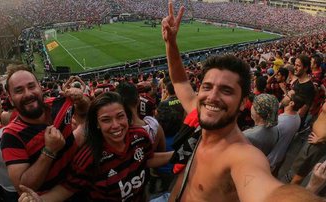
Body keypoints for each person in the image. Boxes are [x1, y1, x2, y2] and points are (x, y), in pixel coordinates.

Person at [161, 2, 323, 201]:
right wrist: (171, 44)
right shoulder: (202, 112)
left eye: (226, 90)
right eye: (207, 86)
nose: (212, 96)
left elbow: (267, 192)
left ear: (242, 103)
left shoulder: (243, 155)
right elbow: (179, 81)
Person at [18, 92, 173, 201]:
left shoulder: (139, 136)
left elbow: (147, 158)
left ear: (127, 116)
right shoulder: (89, 157)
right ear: (97, 124)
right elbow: (66, 190)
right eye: (106, 120)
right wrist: (39, 200)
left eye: (120, 116)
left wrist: (182, 155)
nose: (116, 125)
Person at [0, 65, 90, 193]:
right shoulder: (11, 135)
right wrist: (49, 151)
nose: (28, 94)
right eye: (19, 90)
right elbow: (23, 188)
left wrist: (80, 99)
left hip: (85, 185)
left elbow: (86, 111)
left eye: (31, 86)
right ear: (11, 99)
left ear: (40, 87)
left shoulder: (59, 104)